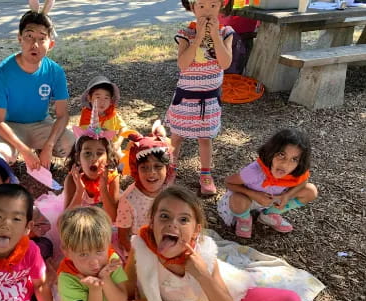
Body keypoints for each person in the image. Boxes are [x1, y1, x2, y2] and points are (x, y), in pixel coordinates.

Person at [125, 186, 303, 301]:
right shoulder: (141, 248)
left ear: (196, 230)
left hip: (222, 297)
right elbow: (127, 290)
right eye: (164, 216)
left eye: (184, 219)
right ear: (152, 222)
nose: (173, 224)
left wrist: (202, 275)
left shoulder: (204, 252)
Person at [0, 8, 75, 170]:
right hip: (10, 125)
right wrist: (25, 150)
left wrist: (49, 145)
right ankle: (11, 153)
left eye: (42, 39)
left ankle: (41, 149)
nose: (35, 45)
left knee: (70, 145)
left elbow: (62, 115)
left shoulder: (55, 71)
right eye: (29, 36)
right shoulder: (2, 73)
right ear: (19, 38)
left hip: (41, 123)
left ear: (51, 44)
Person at [165, 0, 234, 194]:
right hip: (185, 98)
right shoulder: (186, 34)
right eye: (201, 6)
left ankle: (205, 174)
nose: (207, 11)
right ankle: (171, 168)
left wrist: (214, 36)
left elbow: (225, 62)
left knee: (205, 138)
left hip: (210, 99)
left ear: (221, 6)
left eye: (213, 5)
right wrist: (198, 39)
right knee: (176, 136)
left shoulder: (225, 33)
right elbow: (183, 64)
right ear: (193, 8)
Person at [57, 206, 159, 301]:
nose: (94, 262)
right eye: (83, 254)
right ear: (66, 252)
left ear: (108, 245)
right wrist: (95, 290)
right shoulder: (67, 278)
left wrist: (105, 278)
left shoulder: (111, 261)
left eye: (99, 251)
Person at [217, 128, 318, 238]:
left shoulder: (295, 172)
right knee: (238, 199)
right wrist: (254, 194)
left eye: (294, 159)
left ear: (300, 162)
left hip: (272, 200)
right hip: (247, 199)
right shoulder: (255, 172)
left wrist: (286, 195)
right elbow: (228, 182)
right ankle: (244, 218)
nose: (285, 164)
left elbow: (304, 181)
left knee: (310, 191)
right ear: (271, 152)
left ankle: (269, 215)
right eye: (281, 154)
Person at [116, 121, 175, 253]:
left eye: (158, 166)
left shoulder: (169, 192)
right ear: (136, 170)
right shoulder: (129, 199)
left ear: (167, 168)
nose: (152, 172)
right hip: (139, 249)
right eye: (144, 167)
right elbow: (123, 236)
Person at [63, 104, 120, 221]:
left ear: (108, 159)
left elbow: (114, 217)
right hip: (79, 221)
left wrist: (103, 188)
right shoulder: (72, 179)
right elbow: (64, 221)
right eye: (87, 153)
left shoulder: (112, 178)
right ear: (78, 158)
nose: (94, 158)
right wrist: (79, 190)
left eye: (99, 153)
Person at [78, 76, 129, 157]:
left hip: (113, 146)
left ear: (111, 100)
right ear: (89, 98)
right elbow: (88, 137)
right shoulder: (87, 116)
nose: (102, 102)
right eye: (98, 97)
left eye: (106, 98)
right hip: (94, 150)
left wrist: (118, 143)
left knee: (123, 163)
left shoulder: (112, 113)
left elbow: (124, 128)